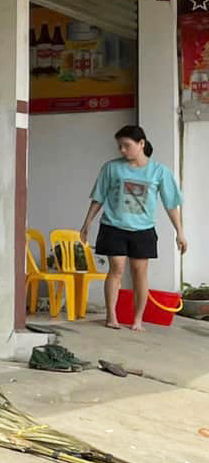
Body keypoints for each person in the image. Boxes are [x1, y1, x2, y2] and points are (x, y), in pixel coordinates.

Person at [80, 123, 186, 331]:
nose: (122, 150)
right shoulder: (111, 168)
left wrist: (180, 232)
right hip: (113, 226)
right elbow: (98, 198)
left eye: (126, 145)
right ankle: (112, 316)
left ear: (141, 144)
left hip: (143, 230)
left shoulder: (159, 171)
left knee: (139, 273)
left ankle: (137, 320)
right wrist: (87, 224)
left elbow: (171, 204)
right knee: (116, 269)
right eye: (119, 146)